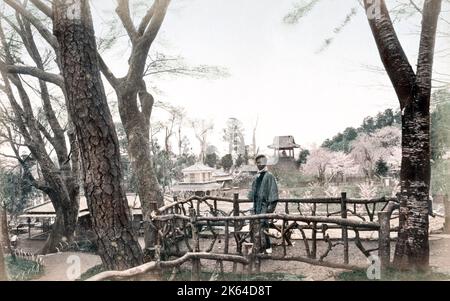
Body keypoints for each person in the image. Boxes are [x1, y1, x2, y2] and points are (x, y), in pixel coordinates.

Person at [248, 154, 279, 254]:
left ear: (265, 163)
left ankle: (267, 246)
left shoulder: (269, 176)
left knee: (264, 226)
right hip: (256, 206)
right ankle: (257, 247)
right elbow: (251, 194)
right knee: (255, 226)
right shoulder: (256, 176)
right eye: (257, 163)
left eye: (260, 162)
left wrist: (270, 208)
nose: (258, 164)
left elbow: (273, 193)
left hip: (264, 207)